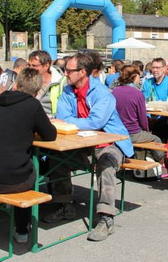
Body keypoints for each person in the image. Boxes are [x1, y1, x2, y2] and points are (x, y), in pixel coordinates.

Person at [48, 53, 134, 242]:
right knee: (56, 159)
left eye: (69, 70)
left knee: (106, 163)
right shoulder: (67, 91)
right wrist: (70, 121)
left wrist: (68, 121)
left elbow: (96, 122)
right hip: (81, 144)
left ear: (82, 72)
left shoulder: (102, 93)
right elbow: (62, 115)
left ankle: (106, 217)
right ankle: (64, 205)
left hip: (110, 142)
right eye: (64, 70)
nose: (65, 74)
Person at [0, 68, 57, 244]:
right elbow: (50, 135)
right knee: (31, 170)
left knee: (13, 164)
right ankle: (22, 229)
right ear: (38, 91)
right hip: (10, 178)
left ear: (16, 84)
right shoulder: (33, 105)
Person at [112, 65, 165, 163]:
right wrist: (147, 130)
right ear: (134, 77)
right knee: (156, 139)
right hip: (133, 132)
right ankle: (163, 164)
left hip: (117, 131)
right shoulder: (137, 94)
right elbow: (142, 118)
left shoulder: (115, 91)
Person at [28, 50, 65, 118]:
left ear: (46, 65)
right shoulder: (27, 80)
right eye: (29, 65)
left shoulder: (61, 82)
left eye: (34, 66)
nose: (30, 68)